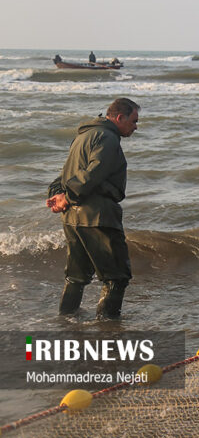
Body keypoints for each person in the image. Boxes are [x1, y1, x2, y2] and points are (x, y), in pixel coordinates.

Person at [46, 98, 141, 319]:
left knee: (76, 276)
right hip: (97, 217)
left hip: (72, 219)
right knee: (117, 278)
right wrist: (66, 197)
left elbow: (66, 174)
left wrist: (56, 195)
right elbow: (91, 175)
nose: (136, 126)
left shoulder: (83, 136)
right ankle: (108, 331)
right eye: (134, 121)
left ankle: (66, 321)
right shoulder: (108, 138)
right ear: (120, 117)